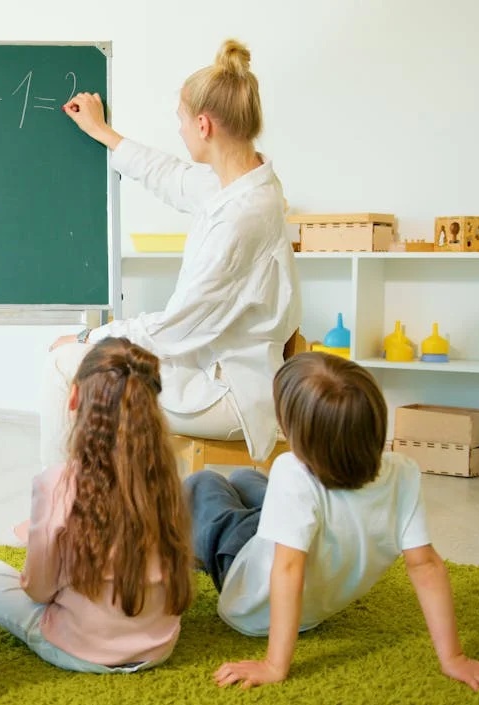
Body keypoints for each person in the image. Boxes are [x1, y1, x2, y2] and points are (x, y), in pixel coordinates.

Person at [189, 352, 479, 692]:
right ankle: (248, 498)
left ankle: (206, 544)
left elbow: (286, 570)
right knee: (245, 478)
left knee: (205, 485)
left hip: (248, 600)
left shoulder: (291, 471)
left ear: (296, 435)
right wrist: (454, 657)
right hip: (313, 602)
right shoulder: (403, 471)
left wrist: (274, 664)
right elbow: (426, 567)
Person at [45, 38, 300, 469]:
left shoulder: (240, 218)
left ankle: (58, 511)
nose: (179, 129)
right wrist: (103, 133)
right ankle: (96, 503)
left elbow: (173, 330)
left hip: (226, 392)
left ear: (203, 126)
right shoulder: (245, 182)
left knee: (64, 362)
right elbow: (172, 176)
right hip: (222, 367)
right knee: (90, 360)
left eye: (181, 119)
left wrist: (90, 336)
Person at [0, 338, 194, 673]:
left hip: (79, 647)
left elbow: (39, 590)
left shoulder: (56, 483)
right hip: (159, 645)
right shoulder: (168, 478)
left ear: (74, 397)